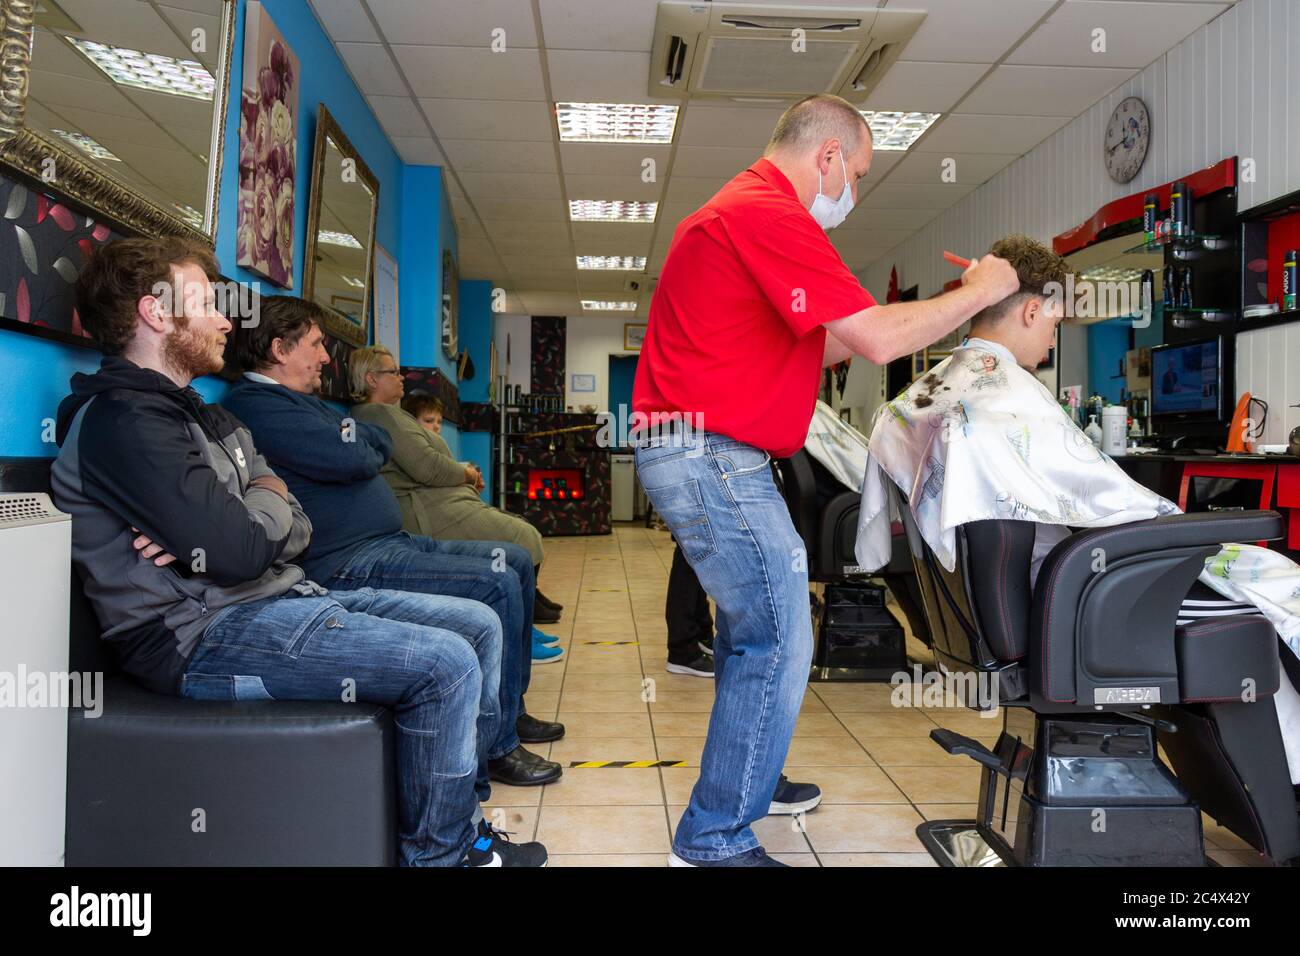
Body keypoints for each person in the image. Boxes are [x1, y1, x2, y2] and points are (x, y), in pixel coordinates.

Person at [50, 237, 544, 866]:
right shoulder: (124, 421)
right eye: (206, 302)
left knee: (476, 625)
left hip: (274, 599)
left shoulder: (206, 417)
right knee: (444, 662)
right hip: (201, 636)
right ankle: (443, 859)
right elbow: (235, 550)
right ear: (154, 312)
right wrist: (250, 514)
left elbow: (292, 524)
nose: (226, 319)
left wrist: (251, 510)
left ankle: (461, 821)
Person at [632, 92, 1020, 867]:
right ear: (829, 156)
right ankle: (713, 838)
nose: (855, 192)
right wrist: (981, 292)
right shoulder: (768, 212)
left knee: (757, 632)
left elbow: (839, 346)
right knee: (778, 633)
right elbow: (876, 342)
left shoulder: (745, 214)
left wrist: (936, 319)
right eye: (860, 174)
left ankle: (748, 776)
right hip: (711, 454)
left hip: (705, 450)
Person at [856, 234, 1300, 786]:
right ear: (1032, 308)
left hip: (1015, 607)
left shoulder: (923, 400)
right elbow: (1124, 509)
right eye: (1053, 325)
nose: (1047, 344)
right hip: (1073, 600)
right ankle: (1288, 786)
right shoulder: (1007, 400)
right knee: (1278, 583)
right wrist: (1193, 529)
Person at [221, 296, 564, 788]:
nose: (324, 357)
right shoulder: (258, 405)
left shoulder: (303, 404)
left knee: (513, 561)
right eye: (316, 345)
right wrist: (360, 445)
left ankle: (509, 709)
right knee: (495, 580)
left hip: (390, 541)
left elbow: (365, 445)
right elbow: (354, 456)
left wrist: (361, 444)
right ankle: (498, 746)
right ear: (279, 349)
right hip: (348, 562)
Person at [345, 345, 564, 630]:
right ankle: (524, 621)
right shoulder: (379, 414)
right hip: (425, 511)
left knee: (519, 525)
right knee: (521, 535)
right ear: (371, 379)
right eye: (393, 372)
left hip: (440, 502)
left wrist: (465, 472)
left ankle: (528, 600)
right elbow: (427, 467)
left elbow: (426, 462)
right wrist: (468, 475)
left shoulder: (388, 414)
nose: (402, 378)